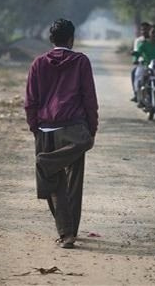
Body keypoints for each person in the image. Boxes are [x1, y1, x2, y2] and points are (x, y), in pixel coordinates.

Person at [25, 18, 98, 249]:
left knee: (54, 183)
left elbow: (30, 102)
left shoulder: (38, 63)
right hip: (74, 129)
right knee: (74, 184)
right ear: (71, 39)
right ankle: (69, 232)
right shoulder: (81, 61)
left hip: (46, 129)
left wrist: (35, 128)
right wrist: (91, 129)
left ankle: (67, 233)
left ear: (51, 39)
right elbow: (89, 98)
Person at [130, 22, 151, 102]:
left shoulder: (154, 39)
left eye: (146, 29)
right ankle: (137, 94)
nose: (144, 31)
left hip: (154, 63)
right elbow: (136, 53)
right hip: (142, 63)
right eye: (143, 29)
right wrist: (135, 60)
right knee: (134, 73)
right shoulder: (138, 41)